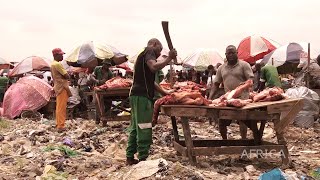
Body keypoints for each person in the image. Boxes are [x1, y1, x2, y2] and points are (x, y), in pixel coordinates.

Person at [126, 38, 177, 165]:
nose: (159, 54)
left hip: (137, 95)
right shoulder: (149, 50)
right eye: (159, 50)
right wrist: (168, 58)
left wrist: (165, 93)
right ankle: (143, 158)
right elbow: (154, 67)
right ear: (154, 45)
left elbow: (152, 81)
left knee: (135, 127)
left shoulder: (143, 56)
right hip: (141, 96)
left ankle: (130, 156)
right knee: (144, 126)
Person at [209, 45, 254, 140]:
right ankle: (225, 141)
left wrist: (246, 83)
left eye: (233, 53)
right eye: (229, 53)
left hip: (243, 99)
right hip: (228, 99)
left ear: (237, 53)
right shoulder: (221, 68)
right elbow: (216, 84)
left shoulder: (244, 65)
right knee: (222, 122)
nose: (231, 55)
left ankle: (243, 141)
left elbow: (250, 79)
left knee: (243, 121)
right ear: (225, 55)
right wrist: (209, 98)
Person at [50, 48, 72, 132]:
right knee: (61, 107)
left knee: (59, 106)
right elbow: (67, 76)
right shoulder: (57, 64)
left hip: (57, 86)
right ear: (56, 55)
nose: (62, 56)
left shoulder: (52, 64)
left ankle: (59, 123)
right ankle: (61, 125)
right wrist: (67, 75)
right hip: (62, 87)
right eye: (61, 55)